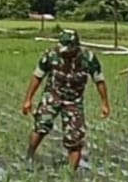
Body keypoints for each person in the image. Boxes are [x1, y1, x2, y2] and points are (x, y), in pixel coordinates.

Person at [21, 29, 110, 170]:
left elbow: (99, 81)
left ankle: (71, 173)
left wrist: (105, 103)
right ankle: (30, 156)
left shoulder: (88, 58)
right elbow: (37, 76)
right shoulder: (51, 54)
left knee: (75, 137)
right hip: (53, 94)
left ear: (76, 47)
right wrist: (28, 99)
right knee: (41, 124)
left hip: (74, 100)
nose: (64, 53)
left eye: (68, 50)